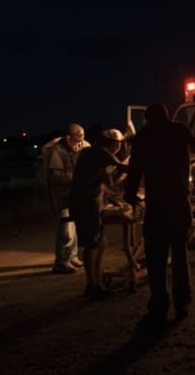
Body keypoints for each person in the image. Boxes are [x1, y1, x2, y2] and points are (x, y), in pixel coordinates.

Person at [124, 103, 195, 326]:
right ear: (167, 115)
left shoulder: (144, 136)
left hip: (157, 205)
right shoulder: (180, 129)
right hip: (180, 202)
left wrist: (130, 194)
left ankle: (159, 305)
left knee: (156, 259)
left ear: (148, 119)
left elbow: (135, 168)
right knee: (180, 254)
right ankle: (182, 302)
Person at [69, 128, 127, 299]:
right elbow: (123, 167)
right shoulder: (99, 152)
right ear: (113, 143)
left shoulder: (97, 155)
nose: (119, 147)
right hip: (85, 203)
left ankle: (97, 281)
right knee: (92, 243)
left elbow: (103, 184)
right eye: (118, 144)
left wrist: (114, 199)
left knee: (100, 242)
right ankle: (92, 285)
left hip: (90, 202)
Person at [48, 123, 89, 274]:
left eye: (82, 138)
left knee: (74, 227)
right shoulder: (58, 151)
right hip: (62, 196)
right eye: (78, 139)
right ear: (68, 138)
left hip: (75, 195)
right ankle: (61, 262)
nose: (80, 142)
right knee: (65, 230)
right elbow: (55, 175)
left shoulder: (81, 147)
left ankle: (72, 256)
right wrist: (76, 177)